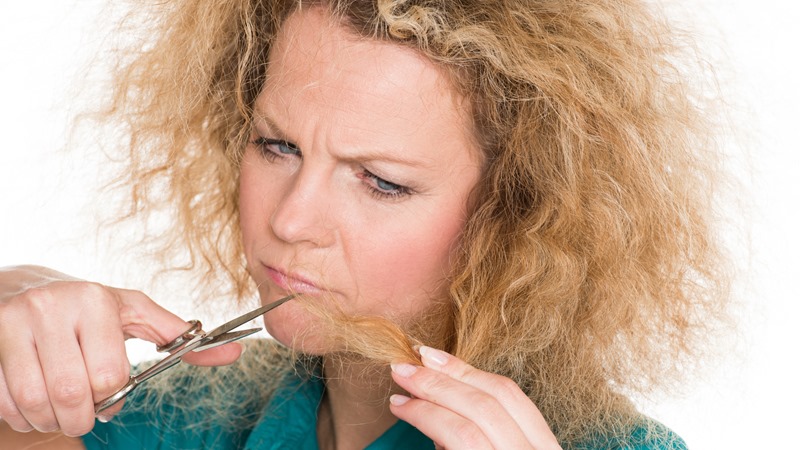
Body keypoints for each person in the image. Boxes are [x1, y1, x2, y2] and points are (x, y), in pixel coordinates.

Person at [0, 0, 730, 448]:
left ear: (514, 217)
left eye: (381, 182)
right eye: (277, 146)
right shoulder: (187, 416)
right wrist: (13, 320)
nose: (291, 220)